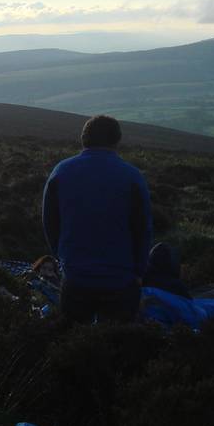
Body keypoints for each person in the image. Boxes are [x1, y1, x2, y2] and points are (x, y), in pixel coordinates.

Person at [42, 115, 153, 324]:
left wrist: (63, 256)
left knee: (75, 343)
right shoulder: (132, 176)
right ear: (116, 140)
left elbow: (50, 222)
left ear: (84, 139)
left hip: (76, 276)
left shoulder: (61, 171)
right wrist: (139, 271)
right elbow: (143, 229)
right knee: (117, 346)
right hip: (121, 278)